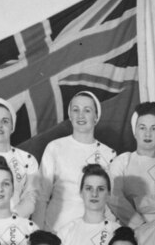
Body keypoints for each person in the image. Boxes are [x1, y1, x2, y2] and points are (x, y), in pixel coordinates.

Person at [35, 91, 116, 232]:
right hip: (55, 231)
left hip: (93, 233)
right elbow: (41, 197)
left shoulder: (108, 154)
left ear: (96, 116)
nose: (80, 115)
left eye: (87, 110)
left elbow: (113, 202)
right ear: (70, 116)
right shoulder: (55, 147)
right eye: (76, 110)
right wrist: (38, 235)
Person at [58, 164, 121, 245]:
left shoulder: (117, 233)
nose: (94, 194)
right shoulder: (66, 232)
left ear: (109, 194)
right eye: (88, 188)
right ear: (81, 192)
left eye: (101, 189)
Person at [109, 102, 155, 228]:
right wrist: (140, 225)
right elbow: (114, 197)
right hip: (130, 231)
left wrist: (136, 202)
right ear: (135, 131)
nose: (148, 134)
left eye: (154, 128)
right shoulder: (123, 161)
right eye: (142, 128)